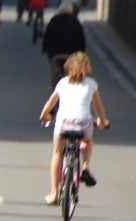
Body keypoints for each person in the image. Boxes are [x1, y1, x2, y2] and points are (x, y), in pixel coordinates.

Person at [39, 52, 108, 205]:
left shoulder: (63, 83)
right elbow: (98, 108)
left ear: (68, 68)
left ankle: (54, 193)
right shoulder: (91, 84)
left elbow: (51, 103)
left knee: (58, 152)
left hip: (63, 123)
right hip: (83, 124)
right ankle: (85, 166)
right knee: (87, 141)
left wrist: (44, 116)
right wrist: (103, 121)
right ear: (87, 68)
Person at [42, 2, 85, 91]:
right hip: (72, 56)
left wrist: (45, 49)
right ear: (71, 11)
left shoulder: (54, 20)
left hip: (56, 55)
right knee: (74, 80)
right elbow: (81, 40)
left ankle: (53, 100)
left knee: (54, 80)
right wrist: (80, 54)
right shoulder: (75, 22)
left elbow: (47, 37)